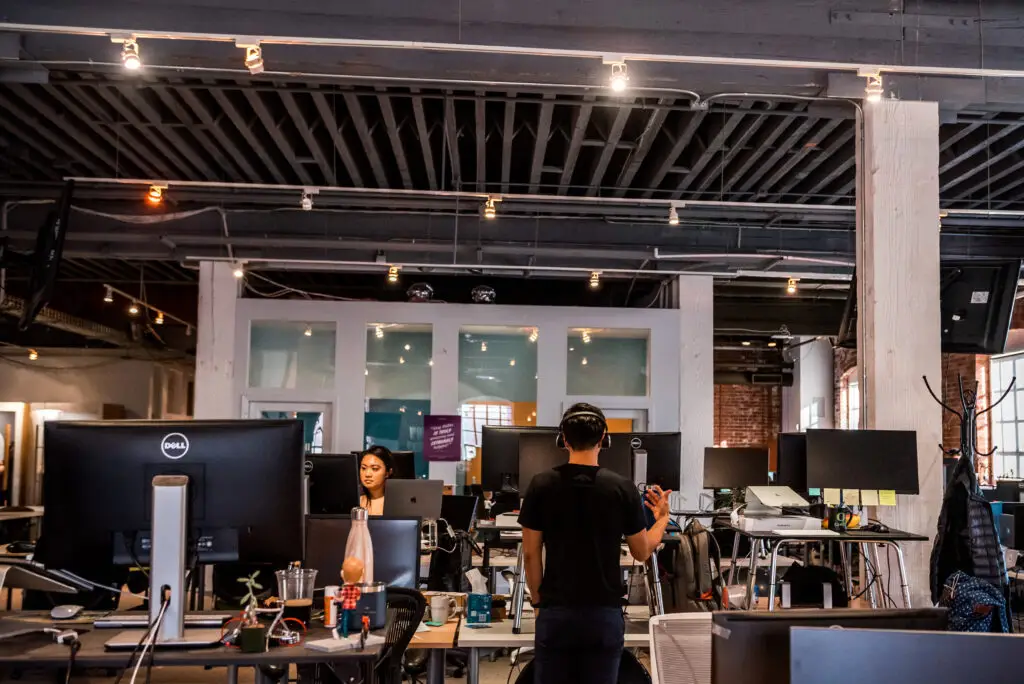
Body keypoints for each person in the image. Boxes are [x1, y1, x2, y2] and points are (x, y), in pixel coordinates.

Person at [518, 403, 671, 684]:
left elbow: (530, 554)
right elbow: (641, 552)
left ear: (563, 439)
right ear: (604, 439)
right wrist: (661, 519)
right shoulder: (621, 487)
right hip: (603, 615)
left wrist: (539, 605)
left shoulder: (541, 485)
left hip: (556, 613)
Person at [359, 445, 394, 516]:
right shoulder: (355, 502)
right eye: (363, 468)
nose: (367, 474)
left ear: (388, 473)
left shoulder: (398, 503)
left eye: (375, 469)